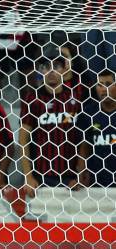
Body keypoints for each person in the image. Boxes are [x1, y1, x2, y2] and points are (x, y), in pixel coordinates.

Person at [20, 55, 86, 196]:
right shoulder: (32, 98)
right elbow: (23, 139)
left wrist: (81, 173)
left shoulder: (75, 96)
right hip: (41, 177)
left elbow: (83, 140)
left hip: (71, 177)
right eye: (46, 67)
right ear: (41, 71)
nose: (51, 71)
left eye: (56, 66)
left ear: (64, 70)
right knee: (40, 218)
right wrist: (28, 176)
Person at [77, 69, 115, 187]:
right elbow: (84, 146)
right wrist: (82, 171)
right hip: (97, 182)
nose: (103, 89)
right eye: (100, 85)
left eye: (108, 84)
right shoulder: (88, 113)